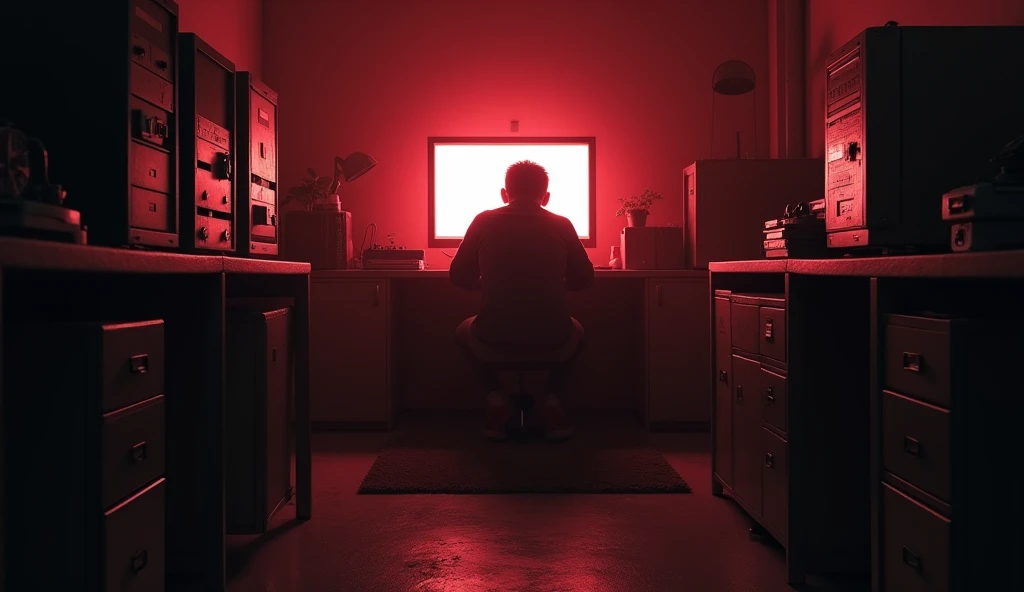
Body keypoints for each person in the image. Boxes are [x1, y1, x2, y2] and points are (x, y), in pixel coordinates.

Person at [449, 160, 595, 441]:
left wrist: (489, 283)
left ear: (504, 194)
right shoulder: (562, 224)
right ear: (546, 197)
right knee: (579, 331)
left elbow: (458, 277)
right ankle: (551, 398)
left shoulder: (483, 220)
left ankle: (496, 397)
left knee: (461, 332)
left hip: (493, 337)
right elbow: (584, 281)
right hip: (553, 339)